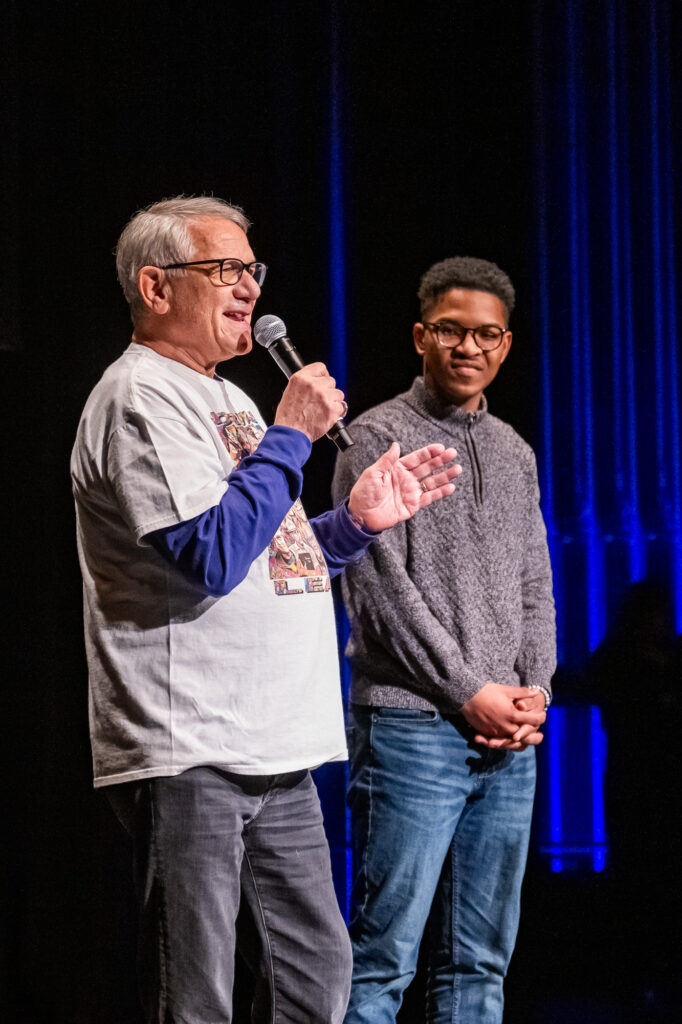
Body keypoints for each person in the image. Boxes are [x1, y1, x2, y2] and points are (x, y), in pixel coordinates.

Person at [70, 196, 461, 1024]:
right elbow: (210, 556)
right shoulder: (138, 397)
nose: (248, 286)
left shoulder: (235, 401)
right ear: (155, 285)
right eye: (225, 270)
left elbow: (264, 552)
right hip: (192, 747)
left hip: (275, 747)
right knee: (197, 999)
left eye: (253, 269)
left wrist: (353, 522)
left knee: (315, 982)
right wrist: (289, 437)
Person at [332, 256, 556, 1023]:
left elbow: (537, 585)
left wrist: (535, 694)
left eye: (486, 335)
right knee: (381, 962)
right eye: (452, 331)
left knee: (479, 968)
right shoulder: (374, 438)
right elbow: (382, 594)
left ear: (507, 344)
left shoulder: (514, 451)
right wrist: (471, 692)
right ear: (421, 336)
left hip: (507, 740)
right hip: (411, 728)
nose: (469, 348)